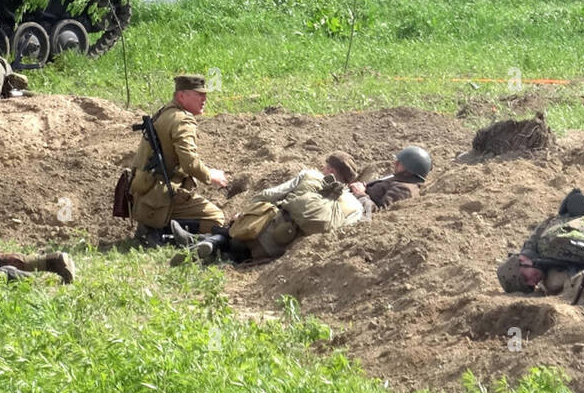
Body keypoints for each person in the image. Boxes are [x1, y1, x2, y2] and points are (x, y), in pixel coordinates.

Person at [182, 151, 365, 264]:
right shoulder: (354, 207)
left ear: (331, 172)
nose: (322, 170)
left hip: (257, 233)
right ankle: (216, 249)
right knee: (242, 251)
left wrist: (244, 213)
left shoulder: (311, 175)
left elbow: (269, 195)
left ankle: (206, 241)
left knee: (240, 229)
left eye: (325, 168)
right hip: (279, 252)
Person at [129, 74, 228, 248]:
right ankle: (163, 233)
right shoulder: (183, 120)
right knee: (216, 219)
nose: (204, 98)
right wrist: (211, 176)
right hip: (160, 195)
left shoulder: (165, 112)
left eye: (204, 94)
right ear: (182, 96)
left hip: (147, 192)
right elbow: (189, 163)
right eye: (198, 94)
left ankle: (154, 227)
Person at [362, 146, 431, 215]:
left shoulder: (404, 190)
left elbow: (380, 213)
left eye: (400, 163)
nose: (396, 163)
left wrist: (360, 194)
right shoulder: (401, 178)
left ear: (410, 171)